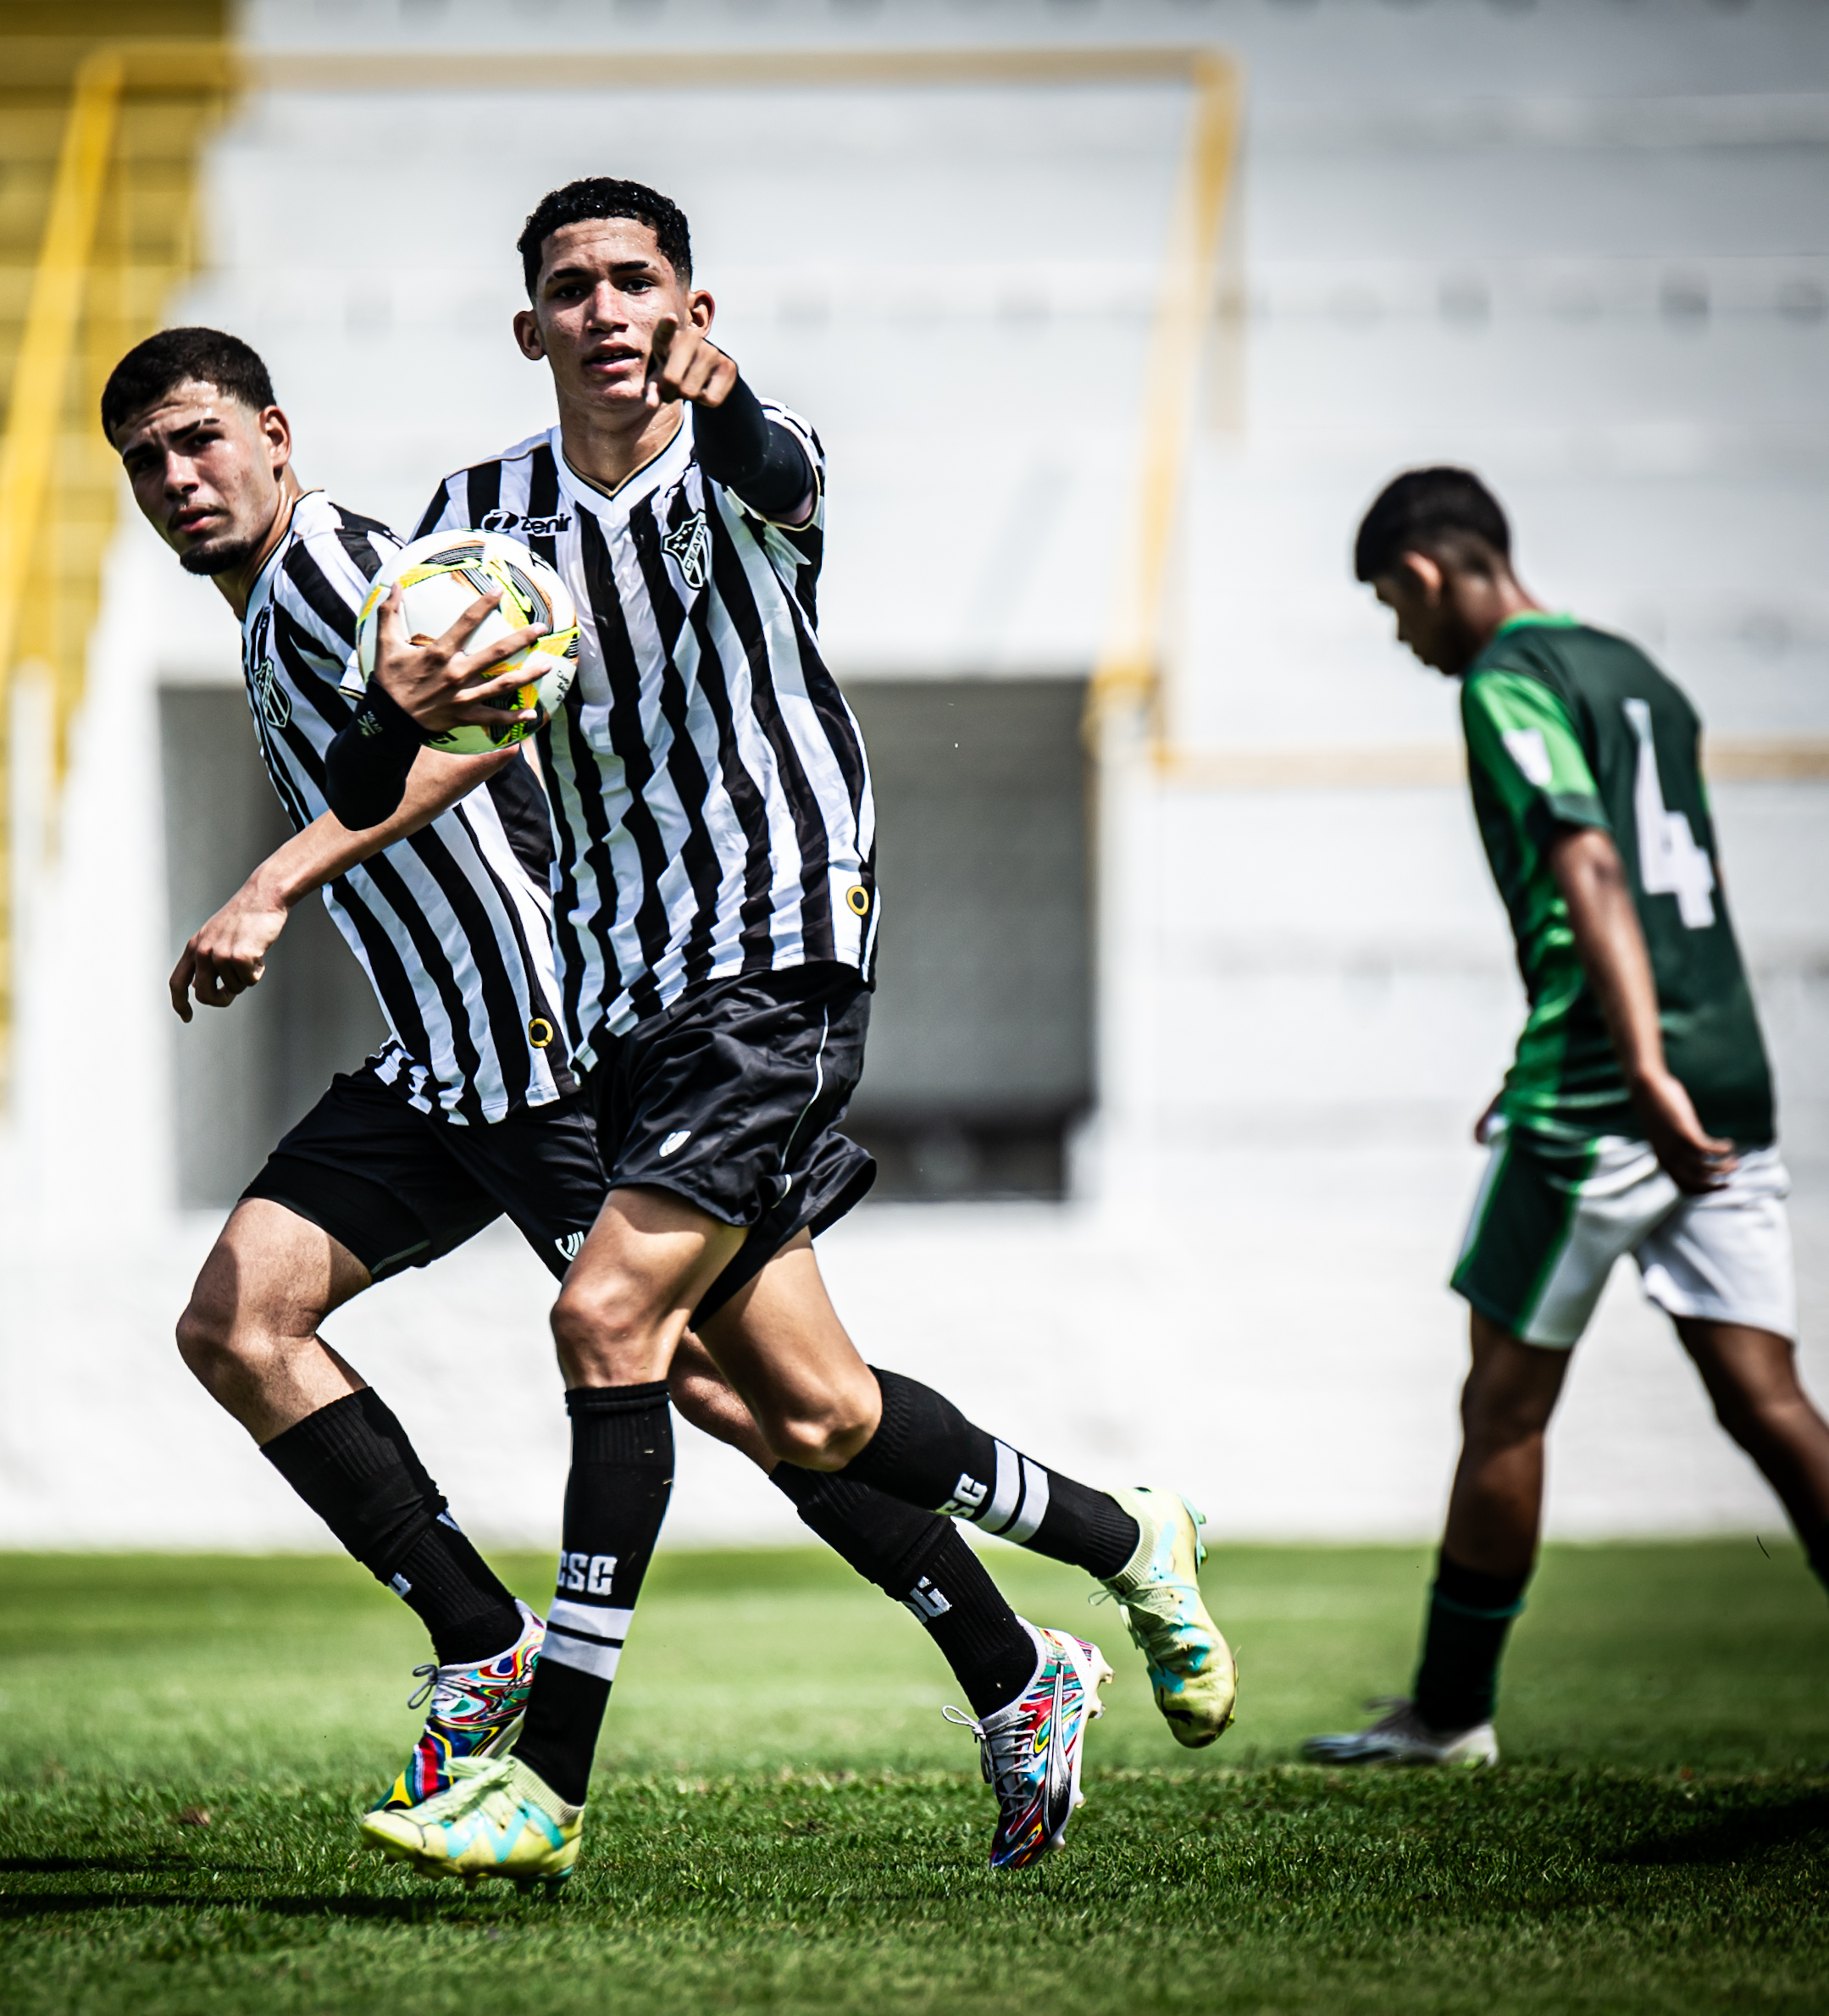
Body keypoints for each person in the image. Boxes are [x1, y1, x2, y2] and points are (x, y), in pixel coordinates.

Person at [324, 180, 1236, 1882]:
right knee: (813, 1411)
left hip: (775, 950)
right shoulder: (476, 521)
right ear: (529, 327)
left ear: (690, 310)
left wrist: (724, 391)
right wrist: (396, 704)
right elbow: (390, 769)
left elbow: (778, 469)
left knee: (609, 1317)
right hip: (621, 986)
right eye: (573, 287)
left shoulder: (747, 457)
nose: (606, 309)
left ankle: (548, 1783)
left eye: (637, 282)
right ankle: (1120, 1548)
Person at [103, 326, 1102, 1826]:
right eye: (148, 461)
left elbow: (488, 718)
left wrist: (272, 883)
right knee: (240, 1325)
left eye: (201, 440)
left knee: (742, 1391)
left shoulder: (342, 570)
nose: (179, 477)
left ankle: (1017, 1664)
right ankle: (481, 1640)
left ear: (277, 437)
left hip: (546, 1047)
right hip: (442, 1066)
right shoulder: (264, 607)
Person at [1305, 468, 1829, 1768]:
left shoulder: (1507, 680)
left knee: (1503, 1406)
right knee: (1769, 1400)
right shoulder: (1637, 672)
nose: (1402, 639)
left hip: (1604, 1091)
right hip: (1730, 1072)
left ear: (1425, 574)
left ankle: (1447, 1714)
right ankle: (1444, 1710)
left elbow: (1589, 860)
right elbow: (1666, 882)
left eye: (1392, 609)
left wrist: (1633, 1065)